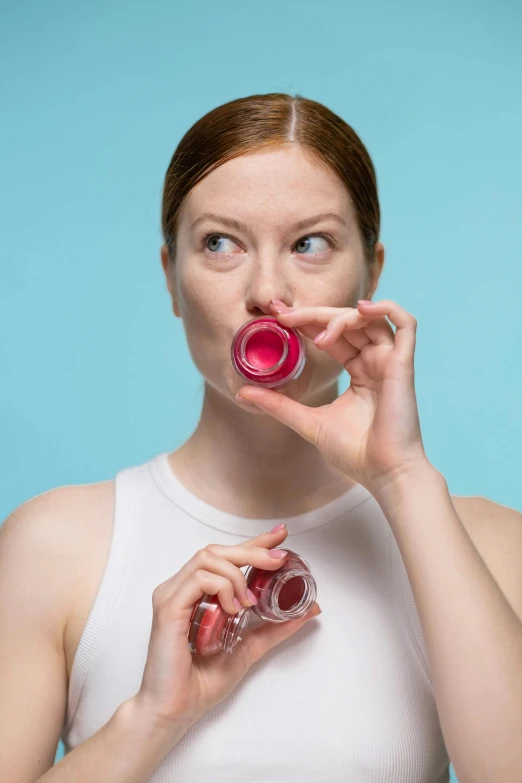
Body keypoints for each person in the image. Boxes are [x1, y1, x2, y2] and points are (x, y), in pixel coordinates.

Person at [1, 93, 521, 783]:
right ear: (171, 279)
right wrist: (152, 719)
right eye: (221, 243)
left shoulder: (486, 546)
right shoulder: (55, 547)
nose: (267, 290)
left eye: (311, 243)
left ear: (371, 271)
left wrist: (403, 480)